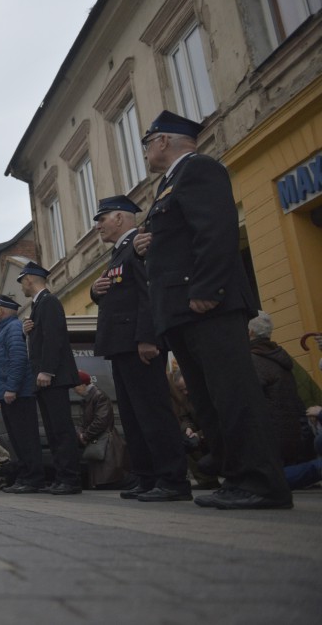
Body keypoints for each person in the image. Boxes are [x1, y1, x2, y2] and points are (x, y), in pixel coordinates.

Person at [134, 110, 292, 510]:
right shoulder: (169, 185)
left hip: (207, 304)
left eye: (147, 143)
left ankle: (262, 482)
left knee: (233, 394)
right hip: (183, 309)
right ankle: (237, 477)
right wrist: (149, 244)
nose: (146, 152)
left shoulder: (199, 169)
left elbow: (217, 229)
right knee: (209, 400)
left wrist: (208, 289)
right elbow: (182, 237)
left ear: (164, 141)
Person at [89, 195, 192, 502]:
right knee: (134, 416)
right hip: (122, 345)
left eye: (102, 220)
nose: (99, 228)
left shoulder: (139, 244)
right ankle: (147, 475)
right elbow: (119, 291)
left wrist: (148, 337)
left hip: (138, 343)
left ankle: (172, 478)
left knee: (154, 413)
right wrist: (95, 292)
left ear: (120, 218)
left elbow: (149, 292)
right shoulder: (120, 252)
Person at [19, 261, 82, 494]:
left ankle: (70, 479)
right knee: (53, 430)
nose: (22, 287)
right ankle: (61, 477)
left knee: (61, 429)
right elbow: (39, 340)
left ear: (29, 279)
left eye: (22, 281)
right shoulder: (38, 307)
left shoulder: (49, 302)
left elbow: (54, 339)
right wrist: (28, 332)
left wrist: (47, 370)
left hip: (53, 377)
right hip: (44, 378)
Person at [0, 295, 43, 494]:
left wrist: (11, 388)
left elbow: (18, 359)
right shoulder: (6, 330)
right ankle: (25, 475)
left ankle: (33, 478)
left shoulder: (11, 329)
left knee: (25, 438)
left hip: (18, 394)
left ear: (1, 310)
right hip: (11, 394)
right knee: (18, 439)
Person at [247, 312, 314, 466]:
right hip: (293, 437)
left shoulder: (253, 360)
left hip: (272, 444)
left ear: (250, 332)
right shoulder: (279, 356)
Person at [73, 372, 128, 489]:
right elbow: (83, 422)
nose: (74, 390)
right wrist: (81, 433)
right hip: (97, 440)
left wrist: (85, 435)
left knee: (109, 479)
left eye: (75, 386)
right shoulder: (88, 398)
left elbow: (101, 421)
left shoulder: (98, 396)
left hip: (105, 441)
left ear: (83, 384)